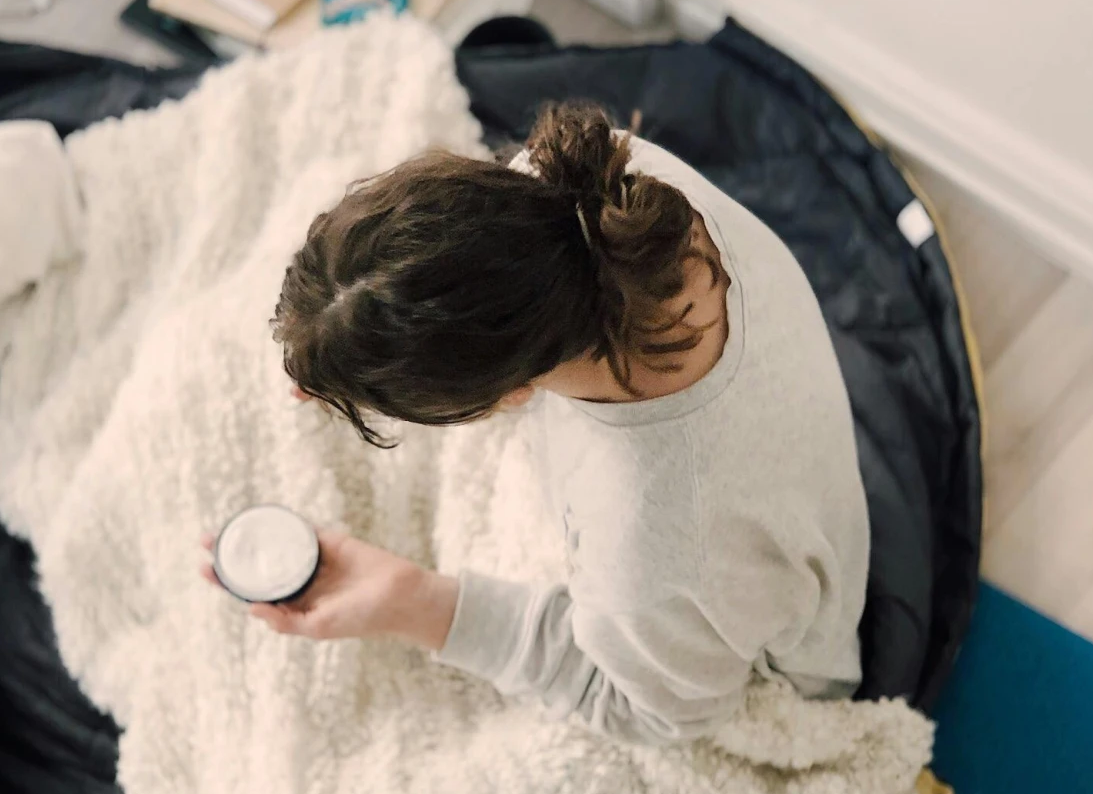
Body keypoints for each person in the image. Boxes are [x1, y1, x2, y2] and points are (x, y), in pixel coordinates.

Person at [211, 100, 871, 746]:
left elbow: (654, 714)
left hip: (769, 674)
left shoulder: (653, 544)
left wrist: (416, 603)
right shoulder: (596, 180)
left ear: (512, 394)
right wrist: (340, 341)